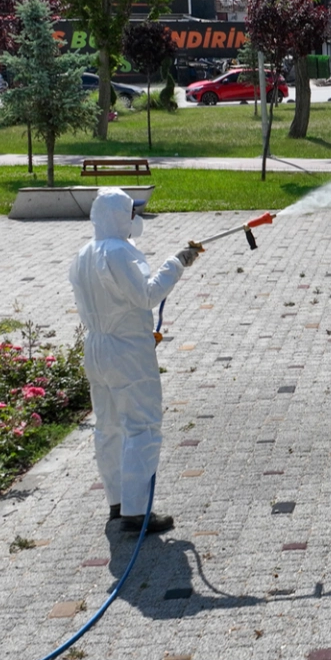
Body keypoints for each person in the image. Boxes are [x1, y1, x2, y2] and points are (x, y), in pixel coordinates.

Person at [69, 189, 200, 534]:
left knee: (109, 427)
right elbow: (146, 295)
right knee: (142, 426)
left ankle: (117, 502)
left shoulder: (83, 253)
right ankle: (136, 511)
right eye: (131, 212)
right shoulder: (122, 252)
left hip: (96, 347)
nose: (134, 219)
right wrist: (177, 263)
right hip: (127, 350)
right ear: (118, 217)